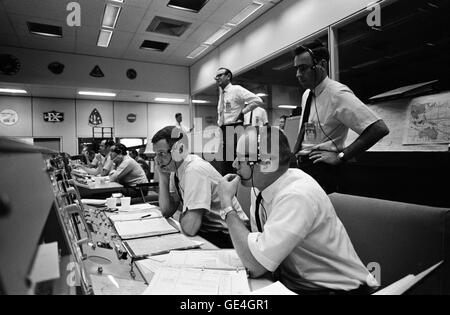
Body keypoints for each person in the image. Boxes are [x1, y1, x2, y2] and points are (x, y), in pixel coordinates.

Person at [218, 126, 379, 294]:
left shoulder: (296, 195)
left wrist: (227, 206)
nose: (234, 164)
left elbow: (256, 266)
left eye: (241, 158)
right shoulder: (259, 188)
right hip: (294, 285)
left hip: (336, 290)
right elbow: (257, 254)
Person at [291, 41, 389, 193]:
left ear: (321, 65)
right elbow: (311, 131)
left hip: (324, 171)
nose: (298, 74)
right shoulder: (307, 95)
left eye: (303, 68)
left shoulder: (337, 93)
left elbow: (378, 129)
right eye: (297, 68)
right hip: (305, 167)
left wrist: (341, 156)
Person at [151, 126, 247, 248]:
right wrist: (163, 177)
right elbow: (166, 211)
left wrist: (183, 215)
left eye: (162, 154)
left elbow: (190, 227)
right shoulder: (176, 170)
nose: (157, 160)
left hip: (232, 237)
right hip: (210, 232)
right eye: (156, 154)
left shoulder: (194, 170)